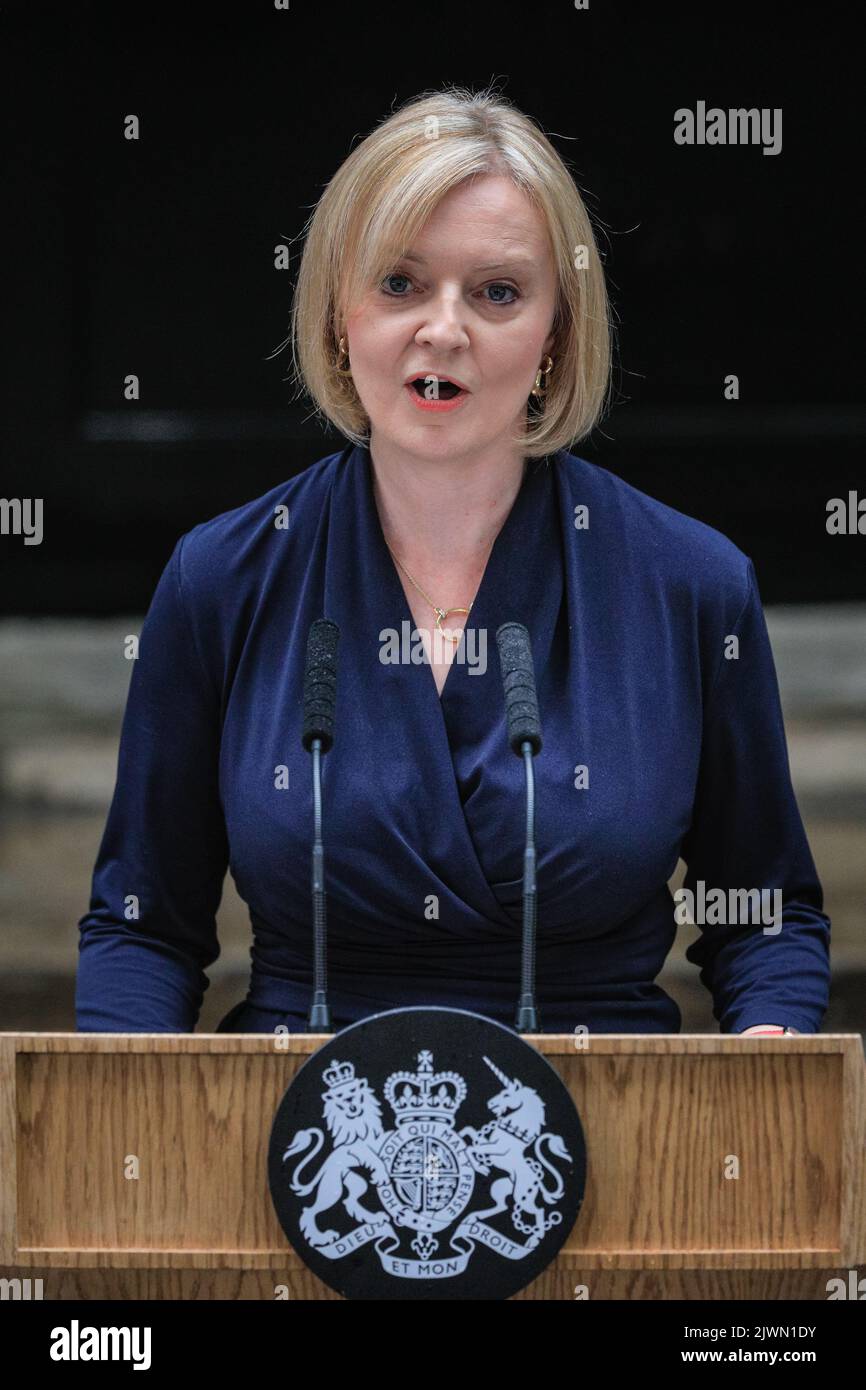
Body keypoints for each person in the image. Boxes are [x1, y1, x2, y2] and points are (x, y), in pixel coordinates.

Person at [75, 86, 829, 1037]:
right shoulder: (221, 579)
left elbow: (763, 916)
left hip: (608, 1110)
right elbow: (142, 928)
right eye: (400, 284)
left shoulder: (692, 584)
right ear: (339, 312)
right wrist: (126, 1103)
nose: (443, 329)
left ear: (557, 333)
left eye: (497, 292)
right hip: (298, 1112)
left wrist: (769, 1051)